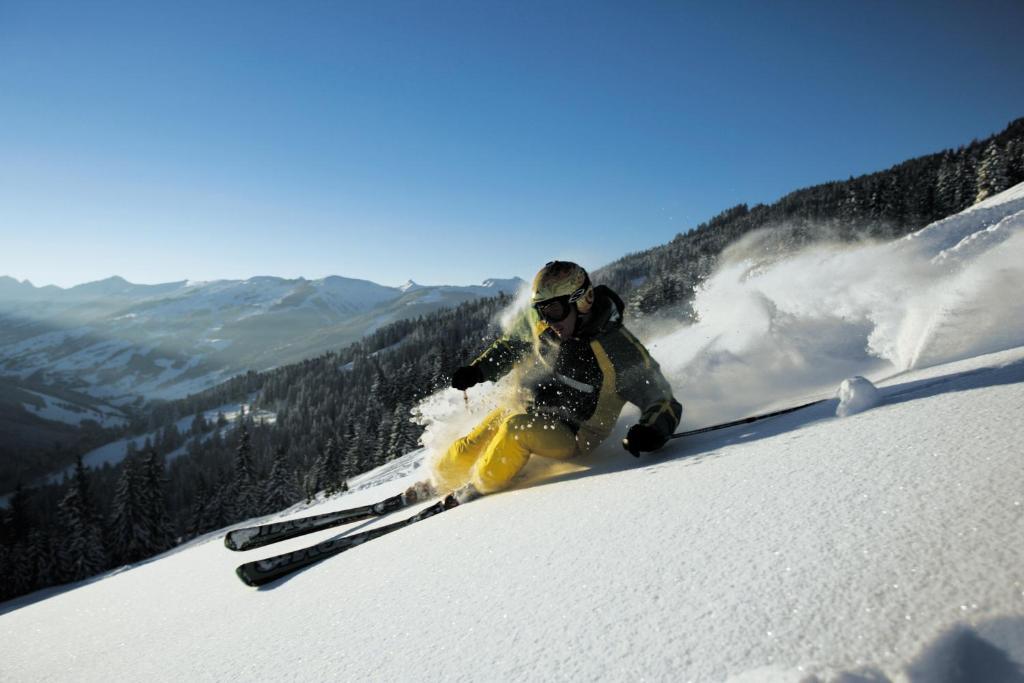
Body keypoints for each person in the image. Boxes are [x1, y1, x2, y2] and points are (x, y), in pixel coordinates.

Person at [405, 261, 682, 506]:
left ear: (582, 300)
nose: (548, 320)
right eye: (541, 311)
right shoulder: (545, 323)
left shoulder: (618, 349)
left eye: (555, 310)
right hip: (533, 410)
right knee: (476, 440)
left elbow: (662, 399)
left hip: (575, 433)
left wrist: (650, 431)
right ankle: (438, 481)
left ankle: (475, 489)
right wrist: (478, 371)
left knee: (516, 430)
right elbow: (511, 346)